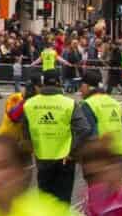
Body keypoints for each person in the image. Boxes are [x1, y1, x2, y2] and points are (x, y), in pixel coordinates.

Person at [19, 69, 79, 204]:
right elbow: (84, 129)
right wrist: (72, 150)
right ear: (59, 82)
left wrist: (31, 146)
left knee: (45, 200)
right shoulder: (69, 103)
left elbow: (24, 128)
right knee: (63, 201)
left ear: (43, 83)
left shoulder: (29, 104)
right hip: (65, 158)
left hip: (42, 158)